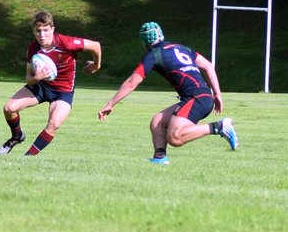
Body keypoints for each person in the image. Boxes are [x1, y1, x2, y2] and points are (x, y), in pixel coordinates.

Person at [97, 22, 237, 163]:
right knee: (158, 122)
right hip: (202, 97)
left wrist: (111, 104)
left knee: (175, 138)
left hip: (196, 98)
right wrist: (217, 95)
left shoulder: (154, 55)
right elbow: (208, 66)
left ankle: (219, 127)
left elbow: (131, 83)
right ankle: (160, 158)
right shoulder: (182, 48)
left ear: (144, 42)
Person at [0, 10, 102, 156]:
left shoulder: (66, 43)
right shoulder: (33, 48)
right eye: (38, 31)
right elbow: (28, 77)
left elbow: (96, 46)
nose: (42, 35)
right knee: (9, 108)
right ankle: (17, 136)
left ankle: (27, 158)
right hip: (41, 86)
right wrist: (37, 78)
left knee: (54, 124)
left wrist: (96, 65)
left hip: (63, 91)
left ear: (52, 29)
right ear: (34, 31)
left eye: (45, 30)